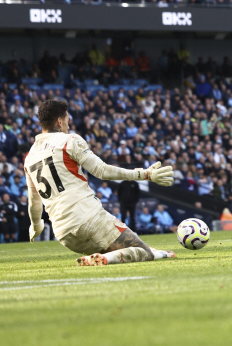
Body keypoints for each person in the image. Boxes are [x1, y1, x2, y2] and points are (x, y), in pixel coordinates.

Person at [24, 99, 176, 265]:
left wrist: (36, 225)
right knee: (143, 252)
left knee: (130, 247)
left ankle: (157, 253)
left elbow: (34, 202)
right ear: (59, 121)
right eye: (67, 119)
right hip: (88, 218)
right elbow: (102, 171)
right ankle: (104, 259)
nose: (68, 123)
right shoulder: (69, 141)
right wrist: (144, 174)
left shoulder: (29, 157)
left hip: (63, 233)